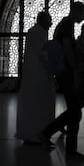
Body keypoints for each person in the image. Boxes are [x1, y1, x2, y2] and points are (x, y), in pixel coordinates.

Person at [38, 2, 84, 162]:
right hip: (67, 74)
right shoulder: (67, 24)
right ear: (75, 11)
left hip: (64, 73)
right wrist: (75, 72)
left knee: (75, 111)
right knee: (75, 111)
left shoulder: (64, 24)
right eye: (82, 14)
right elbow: (67, 47)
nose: (83, 17)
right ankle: (49, 135)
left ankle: (66, 148)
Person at [16, 12, 55, 145]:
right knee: (37, 104)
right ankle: (35, 135)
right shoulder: (38, 33)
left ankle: (34, 134)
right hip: (37, 75)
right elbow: (43, 53)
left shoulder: (36, 32)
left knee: (34, 104)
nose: (51, 23)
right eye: (49, 20)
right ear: (43, 20)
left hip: (35, 75)